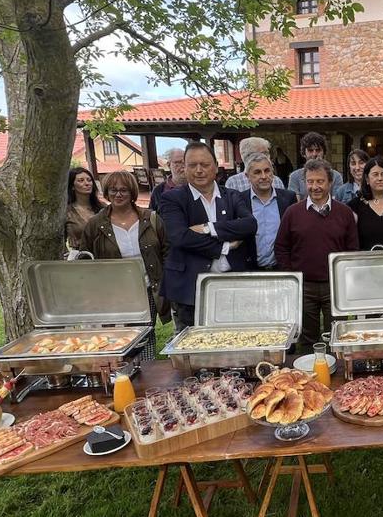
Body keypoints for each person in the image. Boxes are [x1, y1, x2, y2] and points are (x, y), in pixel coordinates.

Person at [158, 142, 257, 332]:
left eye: (204, 164)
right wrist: (224, 247)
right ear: (184, 168)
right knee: (193, 344)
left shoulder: (232, 196)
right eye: (192, 165)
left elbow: (249, 225)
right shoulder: (172, 199)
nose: (199, 170)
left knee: (235, 338)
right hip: (190, 288)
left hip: (232, 285)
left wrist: (208, 228)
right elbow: (180, 237)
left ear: (216, 167)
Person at [81, 171, 169, 358]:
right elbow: (85, 260)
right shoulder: (95, 224)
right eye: (113, 190)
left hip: (146, 289)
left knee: (145, 336)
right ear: (106, 192)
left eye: (124, 190)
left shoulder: (151, 219)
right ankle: (121, 377)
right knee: (117, 339)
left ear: (132, 193)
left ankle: (146, 375)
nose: (118, 194)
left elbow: (166, 252)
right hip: (114, 294)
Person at [275, 159, 359, 347]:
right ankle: (307, 373)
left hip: (335, 286)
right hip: (304, 286)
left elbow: (352, 249)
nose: (315, 187)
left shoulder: (344, 213)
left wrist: (345, 280)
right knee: (306, 337)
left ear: (330, 183)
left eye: (320, 181)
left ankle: (339, 371)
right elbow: (281, 247)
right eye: (310, 181)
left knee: (338, 335)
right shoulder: (292, 212)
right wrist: (292, 277)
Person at [241, 153, 297, 270]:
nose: (264, 176)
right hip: (251, 271)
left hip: (282, 270)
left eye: (267, 171)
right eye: (257, 172)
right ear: (247, 176)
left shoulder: (288, 198)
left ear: (273, 172)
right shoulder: (240, 201)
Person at [288, 132, 344, 199]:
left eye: (318, 150)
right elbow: (295, 204)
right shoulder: (295, 177)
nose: (314, 154)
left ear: (324, 152)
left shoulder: (335, 176)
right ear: (303, 153)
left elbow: (336, 203)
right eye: (310, 150)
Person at [66, 166, 103, 250]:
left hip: (104, 255)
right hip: (80, 256)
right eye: (81, 180)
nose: (87, 183)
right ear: (72, 186)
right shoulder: (67, 212)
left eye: (89, 180)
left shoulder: (103, 208)